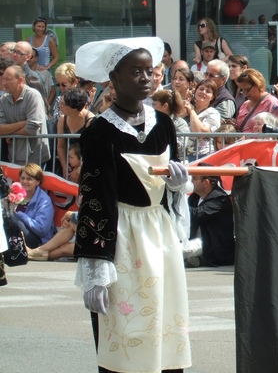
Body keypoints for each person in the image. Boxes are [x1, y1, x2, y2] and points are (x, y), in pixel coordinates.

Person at [73, 36, 192, 373]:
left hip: (159, 232)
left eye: (149, 71)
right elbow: (95, 197)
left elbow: (173, 180)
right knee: (124, 327)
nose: (145, 78)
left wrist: (177, 184)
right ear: (114, 79)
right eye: (135, 71)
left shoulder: (164, 123)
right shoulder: (99, 132)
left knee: (164, 318)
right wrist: (96, 266)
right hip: (122, 236)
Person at [28, 144, 82, 261]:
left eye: (71, 157)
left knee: (65, 247)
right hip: (86, 230)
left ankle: (37, 252)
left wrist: (70, 215)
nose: (68, 160)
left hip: (100, 239)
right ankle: (37, 252)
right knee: (66, 241)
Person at [0, 64, 51, 166]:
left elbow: (32, 128)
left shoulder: (33, 95)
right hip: (13, 158)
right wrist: (23, 123)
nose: (4, 83)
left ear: (20, 80)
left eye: (8, 79)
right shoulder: (4, 99)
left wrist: (9, 133)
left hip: (35, 159)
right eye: (3, 79)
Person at [183, 175, 235, 268]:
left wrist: (179, 199)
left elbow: (195, 215)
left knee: (179, 251)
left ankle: (197, 258)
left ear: (206, 182)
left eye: (194, 178)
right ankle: (195, 259)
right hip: (197, 240)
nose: (191, 181)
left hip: (212, 245)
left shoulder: (220, 199)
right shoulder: (195, 198)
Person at [9, 163, 56, 248]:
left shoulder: (44, 200)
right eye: (22, 178)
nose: (25, 182)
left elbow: (41, 229)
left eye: (29, 179)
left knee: (12, 216)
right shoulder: (14, 194)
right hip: (17, 234)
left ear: (37, 182)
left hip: (38, 240)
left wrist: (19, 214)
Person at [56, 88, 94, 178]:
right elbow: (61, 146)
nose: (59, 106)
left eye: (63, 104)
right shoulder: (62, 119)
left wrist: (79, 170)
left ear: (74, 107)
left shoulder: (90, 121)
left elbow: (92, 151)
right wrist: (64, 166)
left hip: (87, 166)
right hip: (70, 164)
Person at [236, 68, 278, 133]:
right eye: (242, 90)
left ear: (257, 85)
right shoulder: (245, 104)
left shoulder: (271, 102)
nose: (244, 94)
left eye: (247, 90)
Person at [186, 79, 222, 160]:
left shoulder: (213, 113)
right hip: (182, 155)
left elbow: (201, 133)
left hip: (203, 156)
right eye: (201, 89)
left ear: (212, 97)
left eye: (208, 91)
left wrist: (191, 112)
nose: (203, 92)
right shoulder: (186, 108)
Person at [152, 88, 191, 160]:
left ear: (165, 106)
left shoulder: (180, 123)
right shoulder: (151, 121)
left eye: (154, 104)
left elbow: (179, 146)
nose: (152, 107)